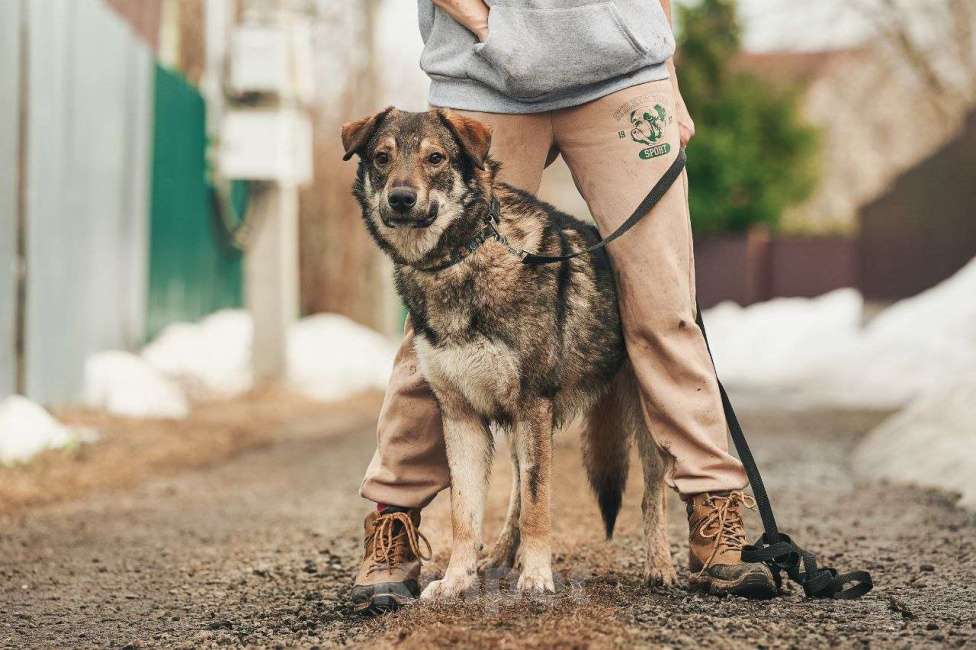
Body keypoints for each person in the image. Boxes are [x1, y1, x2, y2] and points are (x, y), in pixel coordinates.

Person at [351, 0, 776, 613]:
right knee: (438, 319)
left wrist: (668, 73)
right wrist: (486, 25)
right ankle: (394, 520)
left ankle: (713, 512)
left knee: (663, 307)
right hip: (481, 78)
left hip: (624, 76)